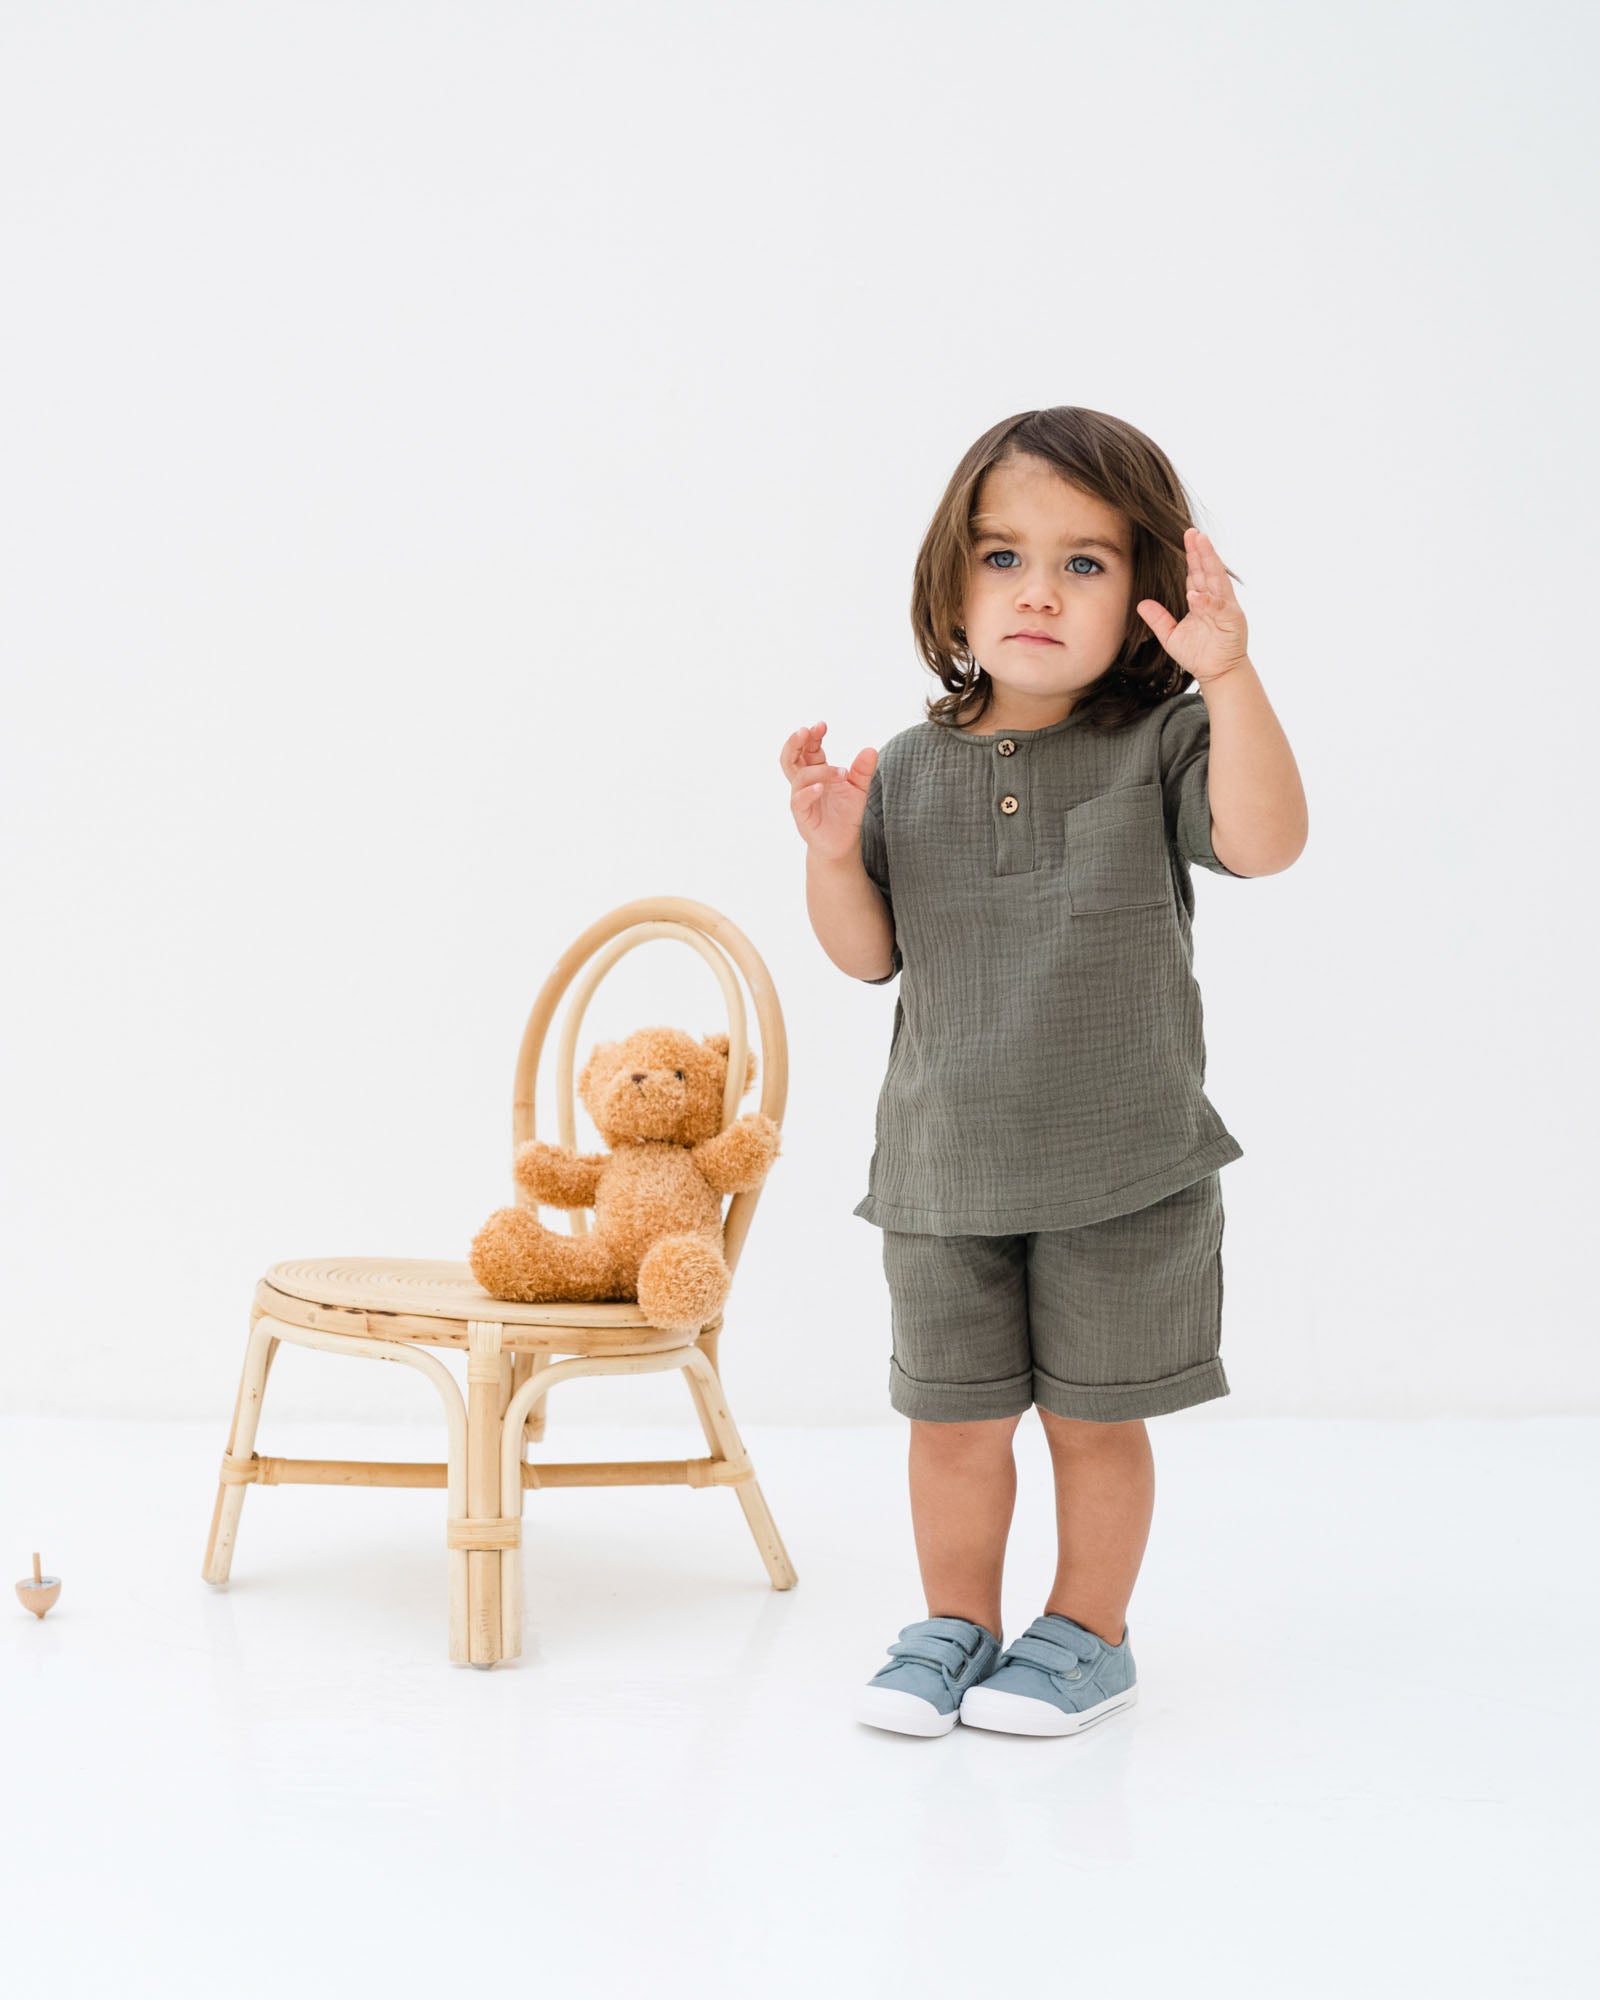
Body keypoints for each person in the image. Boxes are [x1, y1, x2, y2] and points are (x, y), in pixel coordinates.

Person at [780, 406, 1308, 1738]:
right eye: (1005, 555)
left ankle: (1086, 1632)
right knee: (953, 1428)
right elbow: (865, 959)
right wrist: (835, 851)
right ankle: (954, 1623)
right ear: (952, 582)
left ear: (1145, 595)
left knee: (1091, 1426)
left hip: (1125, 1172)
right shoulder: (908, 766)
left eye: (1085, 563)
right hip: (944, 1174)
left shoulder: (1164, 744)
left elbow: (1268, 840)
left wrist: (1231, 678)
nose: (1038, 591)